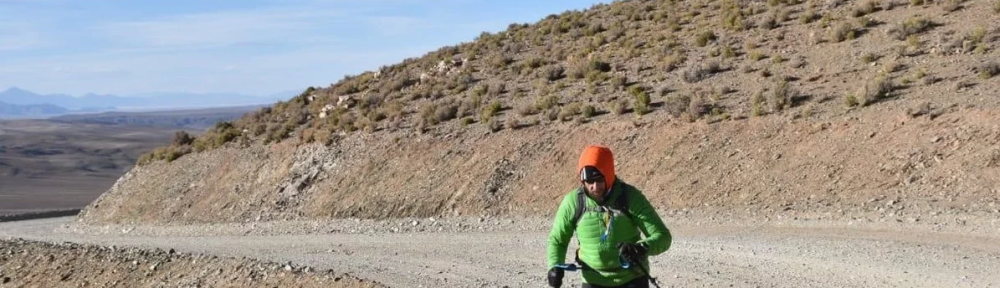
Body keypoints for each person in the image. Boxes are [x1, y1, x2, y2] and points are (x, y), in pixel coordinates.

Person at [547, 145, 671, 288]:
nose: (594, 187)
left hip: (632, 279)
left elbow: (663, 236)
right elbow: (558, 239)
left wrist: (640, 248)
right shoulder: (573, 203)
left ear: (609, 174)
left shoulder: (630, 197)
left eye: (599, 180)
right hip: (593, 281)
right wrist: (554, 266)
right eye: (589, 182)